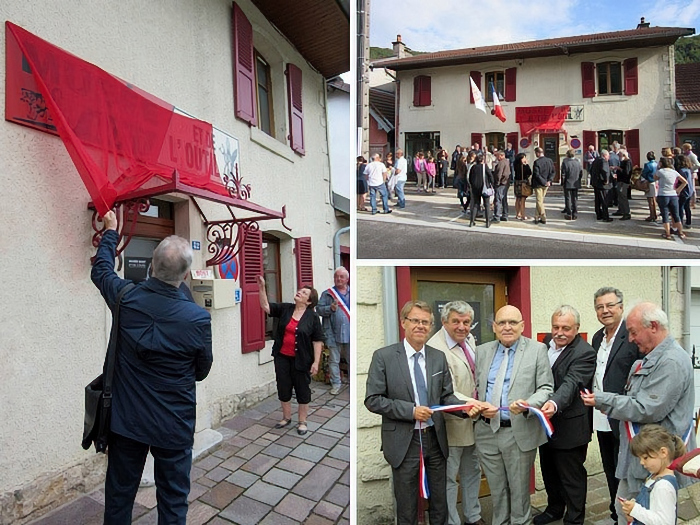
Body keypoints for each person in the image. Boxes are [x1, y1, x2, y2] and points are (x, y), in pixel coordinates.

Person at [91, 211, 213, 524]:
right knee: (173, 503)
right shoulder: (197, 318)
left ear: (150, 266)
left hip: (127, 422)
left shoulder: (125, 298)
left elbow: (101, 270)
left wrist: (111, 231)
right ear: (185, 276)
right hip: (174, 423)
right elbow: (202, 369)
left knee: (119, 498)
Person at [581, 302, 697, 525]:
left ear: (653, 326)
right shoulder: (654, 357)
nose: (631, 339)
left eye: (633, 332)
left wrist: (602, 399)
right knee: (624, 508)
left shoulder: (671, 361)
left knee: (643, 515)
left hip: (653, 459)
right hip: (642, 454)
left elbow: (646, 408)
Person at [365, 300, 474, 525]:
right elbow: (373, 400)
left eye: (425, 322)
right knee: (406, 506)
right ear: (404, 322)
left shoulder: (437, 357)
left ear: (431, 326)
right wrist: (411, 411)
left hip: (435, 439)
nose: (420, 326)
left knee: (439, 503)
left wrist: (466, 409)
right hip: (404, 441)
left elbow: (446, 397)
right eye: (415, 320)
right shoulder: (384, 356)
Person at [473, 305, 554, 525]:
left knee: (519, 491)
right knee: (497, 489)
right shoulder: (482, 351)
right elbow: (477, 387)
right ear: (494, 327)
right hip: (487, 431)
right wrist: (479, 406)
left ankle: (521, 522)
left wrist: (529, 404)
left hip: (519, 431)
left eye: (513, 322)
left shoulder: (537, 350)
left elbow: (546, 387)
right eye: (502, 323)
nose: (507, 327)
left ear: (522, 325)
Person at [536, 306, 596, 525]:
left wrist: (554, 402)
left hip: (570, 427)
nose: (559, 332)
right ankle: (554, 509)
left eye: (566, 328)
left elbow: (572, 382)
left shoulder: (585, 352)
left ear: (577, 328)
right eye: (555, 327)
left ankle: (574, 518)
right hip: (545, 423)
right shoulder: (544, 346)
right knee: (549, 471)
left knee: (571, 478)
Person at [427, 302, 484, 525]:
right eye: (456, 322)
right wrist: (479, 404)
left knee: (472, 471)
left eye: (466, 322)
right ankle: (452, 521)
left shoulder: (469, 340)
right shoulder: (436, 348)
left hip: (475, 421)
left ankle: (473, 516)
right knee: (449, 477)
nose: (462, 327)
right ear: (444, 322)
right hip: (452, 423)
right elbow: (446, 392)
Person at [591, 287, 642, 524]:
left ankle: (633, 516)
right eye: (600, 307)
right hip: (601, 418)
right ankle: (615, 515)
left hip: (624, 417)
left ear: (621, 307)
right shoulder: (597, 337)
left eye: (610, 305)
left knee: (627, 472)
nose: (605, 311)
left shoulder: (631, 337)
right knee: (610, 469)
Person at [257, 275, 324, 436]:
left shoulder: (313, 317)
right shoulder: (286, 308)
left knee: (302, 389)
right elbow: (266, 306)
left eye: (304, 293)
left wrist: (316, 362)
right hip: (282, 357)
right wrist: (261, 287)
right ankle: (286, 417)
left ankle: (302, 421)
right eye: (300, 290)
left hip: (302, 360)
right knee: (283, 387)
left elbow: (317, 340)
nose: (299, 292)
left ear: (309, 301)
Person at [621, 425, 685, 525]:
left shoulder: (663, 486)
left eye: (645, 458)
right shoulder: (654, 476)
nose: (641, 462)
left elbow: (665, 522)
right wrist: (633, 512)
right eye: (640, 458)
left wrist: (636, 510)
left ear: (663, 452)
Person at [316, 267, 350, 395]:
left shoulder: (352, 292)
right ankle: (336, 384)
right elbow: (318, 310)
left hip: (350, 333)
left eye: (341, 277)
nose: (339, 279)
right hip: (332, 333)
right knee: (334, 360)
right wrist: (330, 308)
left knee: (351, 359)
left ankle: (353, 382)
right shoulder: (327, 293)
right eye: (336, 276)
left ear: (347, 279)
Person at [654, 156, 687, 239]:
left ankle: (667, 233)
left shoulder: (660, 171)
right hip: (673, 194)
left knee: (665, 215)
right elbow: (684, 182)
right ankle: (681, 232)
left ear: (662, 163)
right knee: (676, 215)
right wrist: (678, 189)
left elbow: (654, 178)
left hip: (663, 194)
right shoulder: (674, 172)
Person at [468, 153, 494, 228]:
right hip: (484, 188)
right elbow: (490, 176)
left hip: (475, 188)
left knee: (476, 204)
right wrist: (492, 185)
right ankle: (487, 222)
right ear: (482, 160)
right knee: (487, 205)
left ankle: (472, 222)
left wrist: (472, 186)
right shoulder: (484, 167)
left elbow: (470, 178)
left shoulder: (473, 167)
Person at [532, 147, 554, 224]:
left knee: (539, 201)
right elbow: (553, 172)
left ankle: (543, 216)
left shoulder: (537, 162)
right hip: (546, 184)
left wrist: (544, 182)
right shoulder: (550, 161)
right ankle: (537, 217)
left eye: (535, 153)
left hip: (538, 184)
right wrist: (549, 181)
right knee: (540, 201)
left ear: (538, 153)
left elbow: (536, 174)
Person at [590, 149, 613, 222]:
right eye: (608, 156)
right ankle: (605, 216)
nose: (608, 157)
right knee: (604, 200)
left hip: (596, 183)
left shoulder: (595, 160)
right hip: (602, 184)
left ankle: (598, 214)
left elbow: (591, 170)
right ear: (604, 155)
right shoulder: (603, 161)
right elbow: (605, 171)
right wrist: (606, 180)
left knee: (597, 200)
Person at [560, 149, 582, 220]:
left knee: (568, 198)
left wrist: (562, 182)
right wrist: (578, 180)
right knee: (575, 198)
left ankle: (569, 213)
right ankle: (575, 213)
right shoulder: (578, 162)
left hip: (568, 182)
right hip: (576, 182)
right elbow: (580, 173)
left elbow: (563, 174)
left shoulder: (565, 162)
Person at [675, 154, 693, 229]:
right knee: (687, 207)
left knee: (680, 208)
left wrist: (678, 189)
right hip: (690, 191)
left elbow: (682, 182)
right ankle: (688, 222)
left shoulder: (681, 171)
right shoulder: (688, 170)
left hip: (684, 191)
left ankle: (680, 223)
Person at [493, 150, 511, 223]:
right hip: (506, 183)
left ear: (501, 156)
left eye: (497, 156)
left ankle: (497, 216)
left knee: (498, 200)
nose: (496, 157)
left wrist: (497, 182)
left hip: (501, 184)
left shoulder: (501, 163)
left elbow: (499, 174)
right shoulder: (507, 162)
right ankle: (505, 215)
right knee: (504, 200)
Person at [513, 153, 532, 220]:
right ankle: (523, 215)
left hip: (517, 183)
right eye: (524, 158)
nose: (525, 159)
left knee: (517, 199)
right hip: (523, 183)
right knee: (523, 199)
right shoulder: (524, 166)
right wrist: (526, 164)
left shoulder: (515, 165)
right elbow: (529, 173)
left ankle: (518, 214)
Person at [615, 150, 633, 220]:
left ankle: (627, 212)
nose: (619, 157)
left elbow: (627, 173)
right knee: (620, 196)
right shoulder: (623, 162)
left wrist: (619, 169)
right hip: (620, 181)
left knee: (623, 197)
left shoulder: (628, 162)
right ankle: (621, 210)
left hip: (624, 182)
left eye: (620, 155)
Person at [641, 152, 658, 222]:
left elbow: (644, 174)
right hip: (656, 182)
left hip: (650, 182)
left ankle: (652, 215)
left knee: (650, 200)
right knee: (654, 200)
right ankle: (655, 213)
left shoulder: (647, 165)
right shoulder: (657, 164)